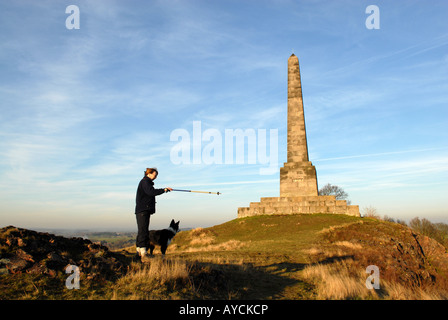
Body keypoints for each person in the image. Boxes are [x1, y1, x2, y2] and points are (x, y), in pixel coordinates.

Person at [135, 167, 172, 261]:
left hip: (142, 210)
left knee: (142, 230)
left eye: (156, 176)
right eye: (154, 175)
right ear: (149, 174)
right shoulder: (145, 182)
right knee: (143, 230)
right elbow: (151, 192)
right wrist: (164, 190)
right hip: (143, 210)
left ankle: (139, 251)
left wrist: (164, 190)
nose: (155, 177)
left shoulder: (145, 182)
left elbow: (150, 192)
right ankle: (143, 252)